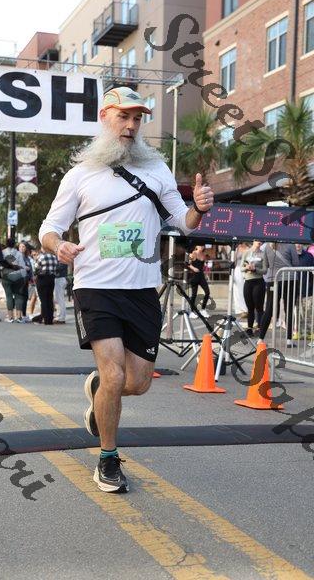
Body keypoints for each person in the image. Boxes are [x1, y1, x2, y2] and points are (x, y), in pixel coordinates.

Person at [38, 86, 213, 493]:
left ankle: (98, 392)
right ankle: (108, 458)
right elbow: (49, 228)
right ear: (105, 117)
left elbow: (183, 222)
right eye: (124, 116)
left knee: (137, 382)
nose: (132, 125)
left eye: (137, 118)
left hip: (142, 290)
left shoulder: (157, 169)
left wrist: (199, 209)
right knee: (114, 374)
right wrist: (58, 245)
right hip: (95, 287)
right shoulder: (80, 174)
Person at [259, 242, 299, 346]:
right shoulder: (290, 245)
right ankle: (289, 340)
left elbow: (265, 267)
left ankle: (260, 339)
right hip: (289, 279)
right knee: (289, 309)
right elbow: (296, 263)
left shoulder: (267, 246)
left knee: (269, 309)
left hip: (273, 280)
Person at [240, 241, 267, 336]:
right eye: (257, 240)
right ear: (253, 241)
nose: (259, 242)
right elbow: (241, 268)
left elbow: (265, 270)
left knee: (259, 307)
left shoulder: (263, 254)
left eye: (261, 241)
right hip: (248, 281)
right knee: (250, 307)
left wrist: (255, 269)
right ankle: (249, 329)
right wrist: (247, 268)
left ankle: (260, 328)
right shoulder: (246, 252)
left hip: (258, 282)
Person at [1, 238, 27, 323]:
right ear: (14, 244)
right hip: (18, 276)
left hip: (6, 276)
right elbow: (22, 266)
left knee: (9, 296)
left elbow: (0, 265)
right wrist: (24, 277)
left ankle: (10, 317)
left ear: (6, 244)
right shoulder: (19, 253)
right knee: (18, 296)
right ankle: (19, 317)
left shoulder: (3, 253)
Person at [295, 244, 314, 342]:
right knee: (298, 312)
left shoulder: (309, 256)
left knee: (309, 312)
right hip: (295, 290)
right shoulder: (291, 255)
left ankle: (311, 332)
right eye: (296, 243)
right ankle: (299, 332)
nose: (298, 244)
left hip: (308, 289)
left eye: (299, 243)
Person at [34, 248, 57, 325]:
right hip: (51, 279)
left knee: (43, 300)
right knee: (50, 299)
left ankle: (45, 319)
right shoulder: (54, 257)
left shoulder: (41, 257)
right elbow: (56, 267)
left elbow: (36, 268)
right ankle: (50, 320)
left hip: (42, 278)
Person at [188, 245, 210, 318]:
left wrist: (207, 274)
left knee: (207, 292)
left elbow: (205, 265)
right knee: (194, 295)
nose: (201, 247)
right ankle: (191, 312)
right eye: (200, 245)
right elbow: (188, 264)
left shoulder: (203, 254)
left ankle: (203, 309)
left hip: (201, 276)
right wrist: (194, 268)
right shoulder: (193, 253)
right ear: (196, 246)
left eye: (202, 245)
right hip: (194, 276)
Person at [18, 241, 33, 321]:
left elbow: (30, 268)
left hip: (26, 279)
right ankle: (19, 315)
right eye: (20, 246)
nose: (22, 248)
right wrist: (24, 267)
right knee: (20, 296)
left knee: (25, 297)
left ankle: (23, 314)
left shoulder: (27, 257)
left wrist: (31, 278)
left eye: (23, 247)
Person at [233, 243, 249, 318]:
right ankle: (241, 310)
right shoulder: (237, 248)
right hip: (238, 269)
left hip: (246, 269)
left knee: (246, 290)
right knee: (237, 290)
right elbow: (234, 261)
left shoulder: (249, 248)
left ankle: (247, 309)